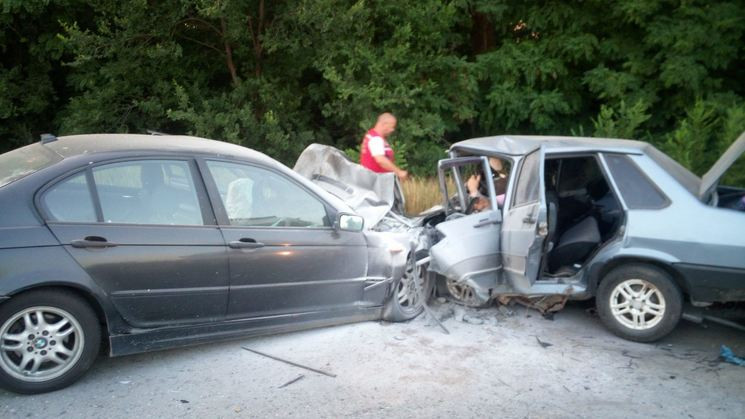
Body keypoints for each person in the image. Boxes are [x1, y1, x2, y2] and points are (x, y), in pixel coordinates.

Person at [359, 113, 408, 180]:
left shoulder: (372, 135)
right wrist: (398, 172)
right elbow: (380, 159)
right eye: (391, 127)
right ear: (384, 124)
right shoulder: (376, 139)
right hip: (374, 182)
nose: (392, 130)